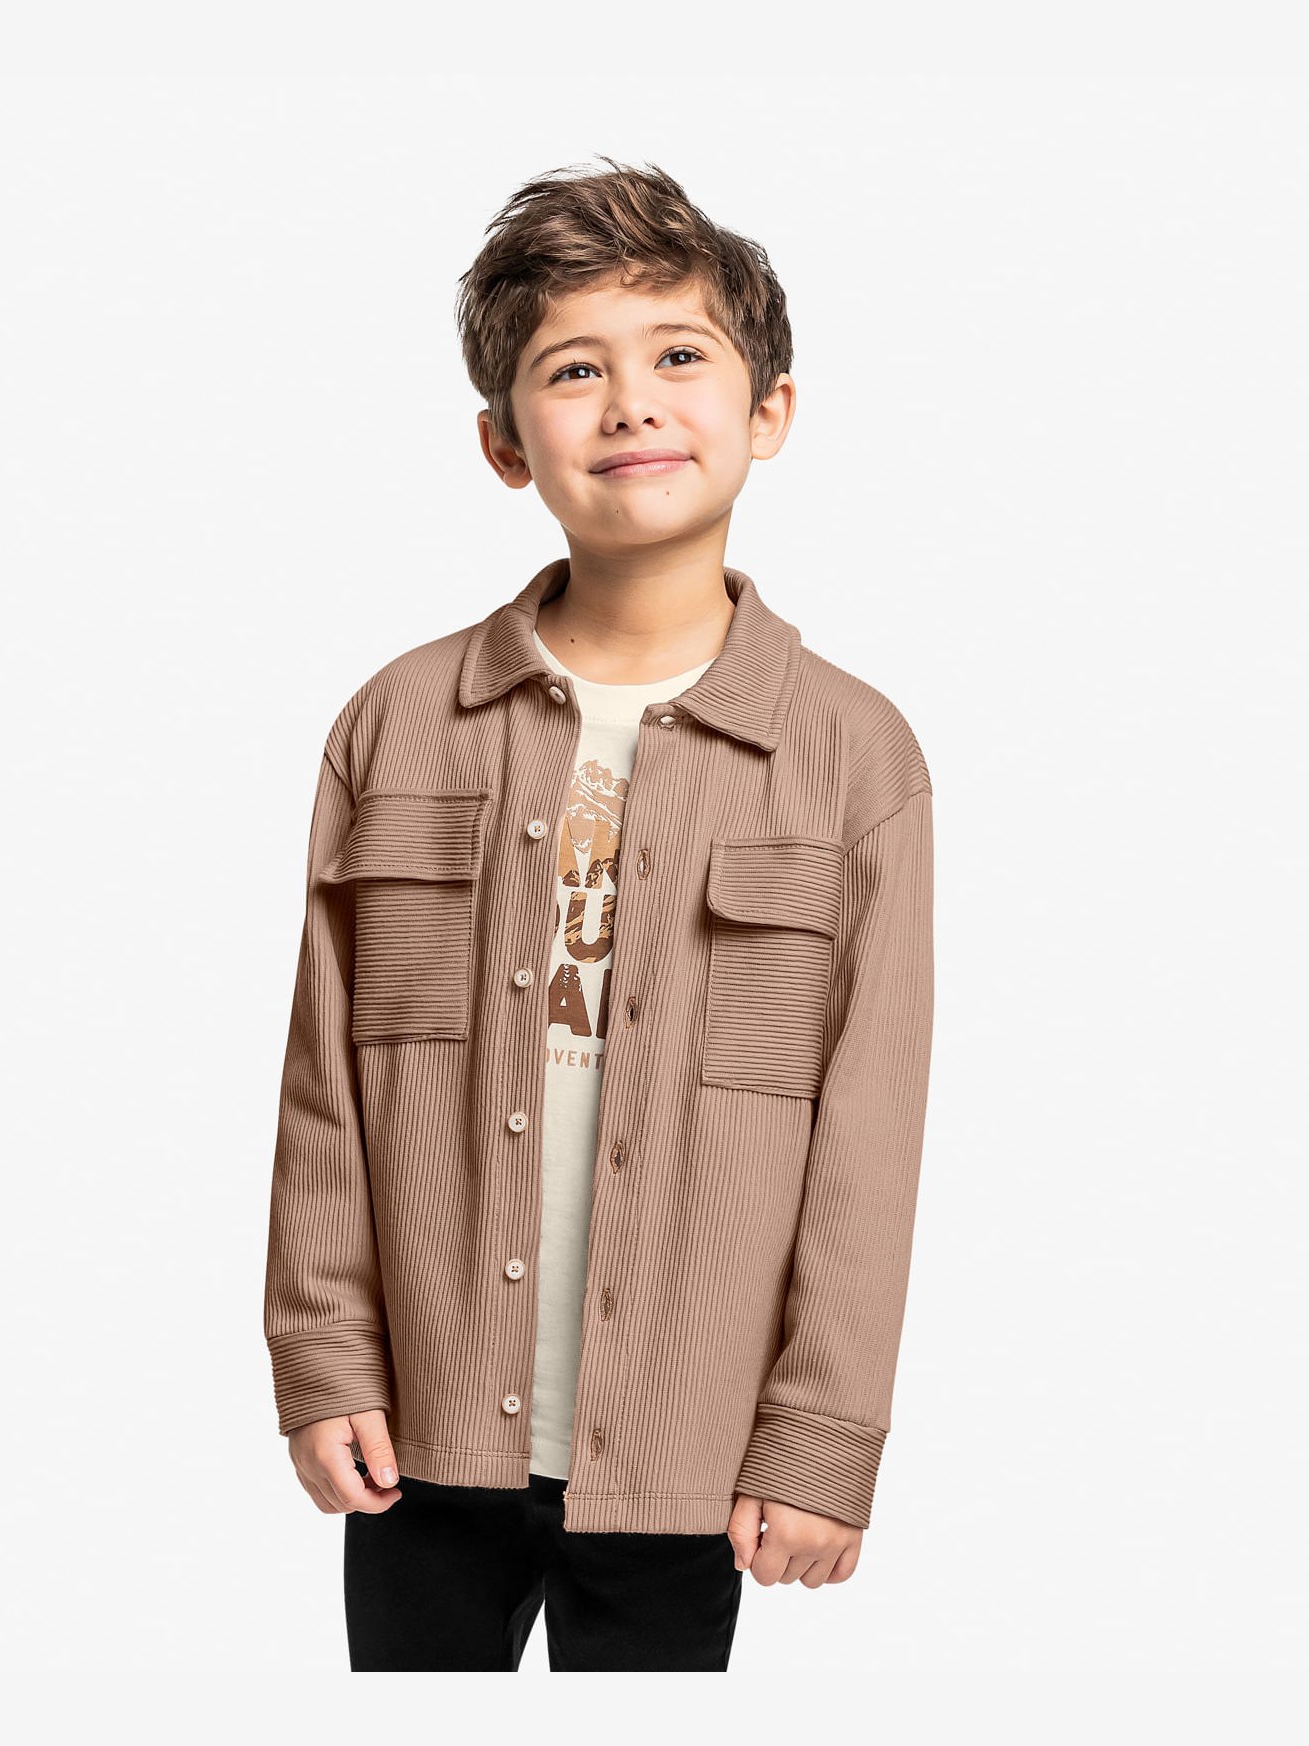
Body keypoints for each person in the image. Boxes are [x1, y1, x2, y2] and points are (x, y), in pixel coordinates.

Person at [263, 155, 935, 1673]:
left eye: (679, 355)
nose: (632, 404)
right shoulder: (397, 725)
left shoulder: (854, 756)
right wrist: (321, 1353)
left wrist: (824, 1433)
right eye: (575, 369)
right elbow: (325, 1088)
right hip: (422, 1426)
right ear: (505, 442)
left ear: (769, 409)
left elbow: (869, 1132)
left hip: (692, 1447)